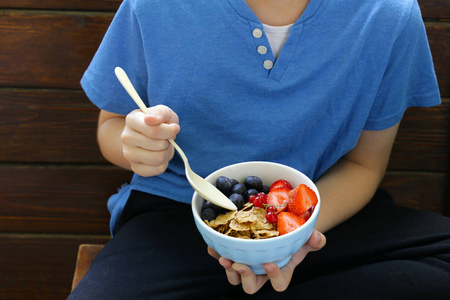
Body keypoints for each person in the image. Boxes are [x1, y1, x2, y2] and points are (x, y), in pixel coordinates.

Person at [68, 0, 450, 299]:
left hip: (318, 214)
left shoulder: (389, 13)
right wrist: (136, 145)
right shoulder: (153, 6)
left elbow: (364, 165)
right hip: (177, 217)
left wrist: (288, 241)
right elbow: (111, 125)